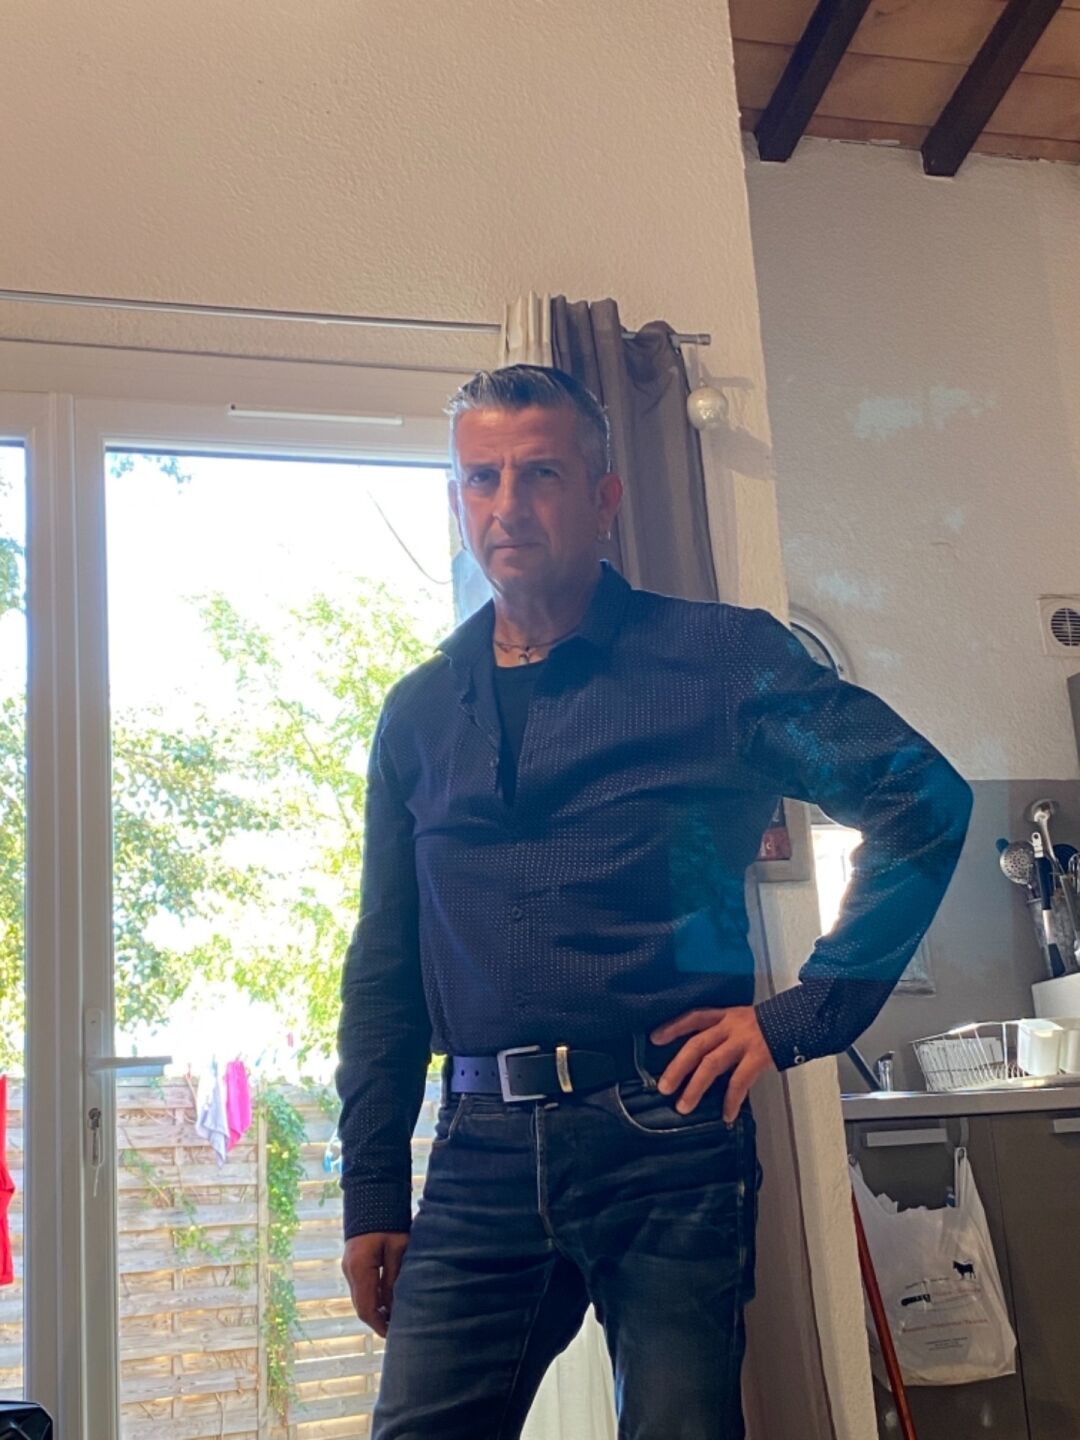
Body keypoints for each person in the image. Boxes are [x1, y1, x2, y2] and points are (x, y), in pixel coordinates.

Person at [335, 365, 972, 1439]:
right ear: (457, 499)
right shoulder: (420, 713)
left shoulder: (719, 660)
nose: (507, 504)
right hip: (479, 1145)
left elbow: (924, 800)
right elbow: (386, 964)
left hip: (664, 1132)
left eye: (541, 474)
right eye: (482, 478)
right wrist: (370, 1195)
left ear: (604, 498)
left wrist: (800, 1015)